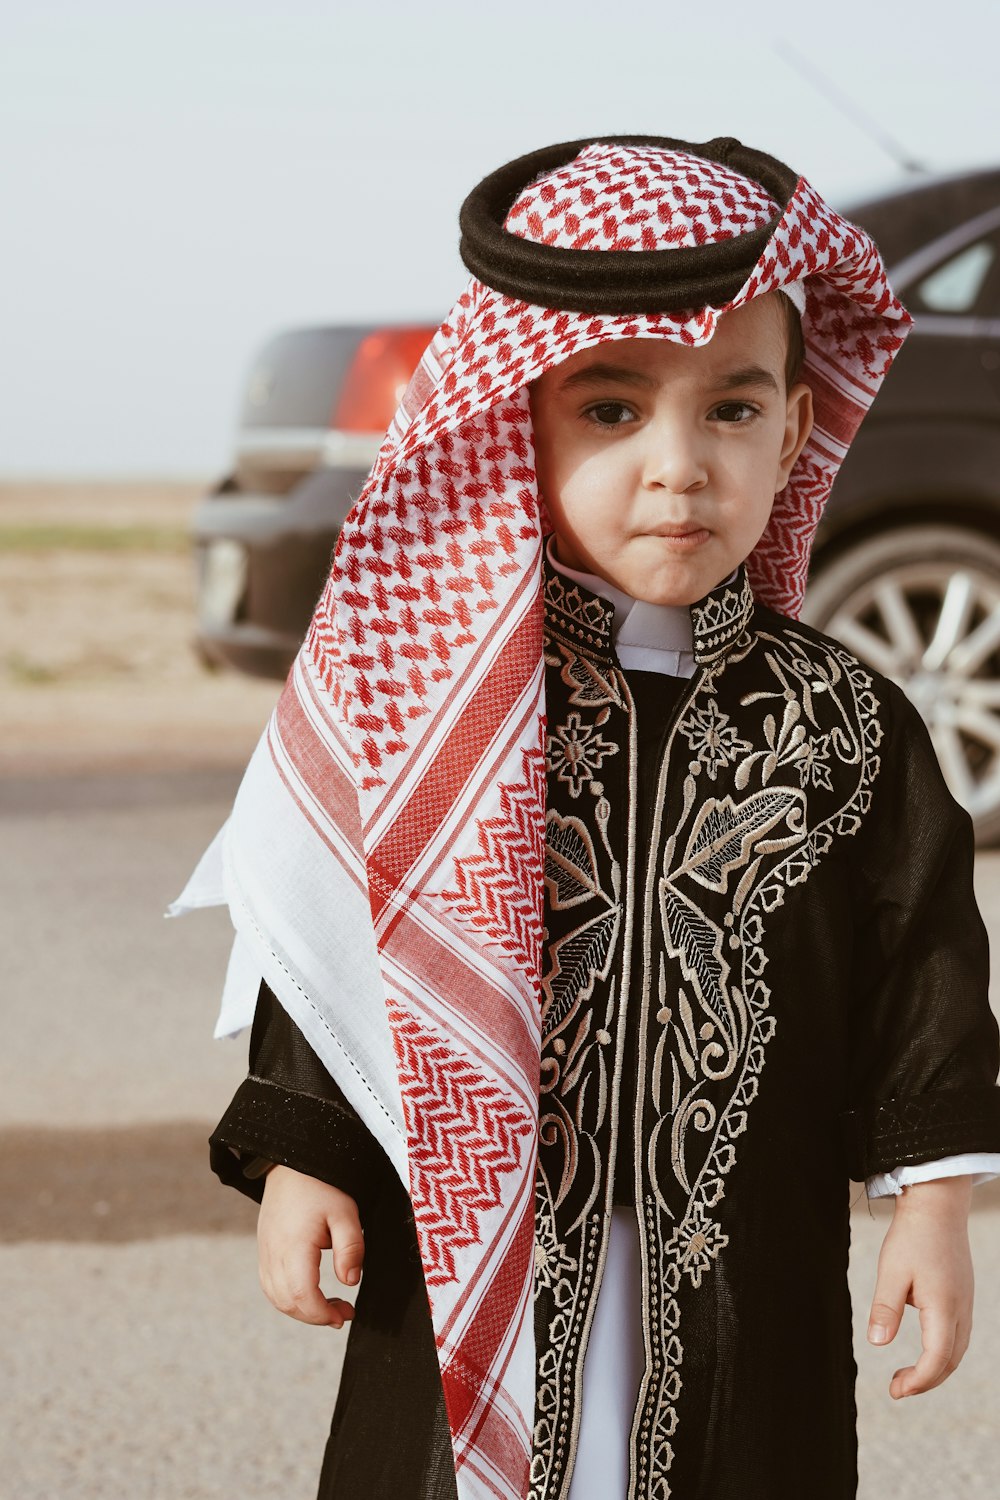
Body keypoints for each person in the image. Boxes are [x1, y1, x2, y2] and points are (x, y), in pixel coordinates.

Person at [170, 135, 1000, 1500]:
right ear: (519, 423)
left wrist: (935, 1201)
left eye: (731, 412)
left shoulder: (845, 725)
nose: (680, 468)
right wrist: (303, 1149)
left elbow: (926, 971)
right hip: (479, 1237)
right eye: (613, 412)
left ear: (795, 429)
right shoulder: (445, 717)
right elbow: (337, 936)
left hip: (742, 1254)